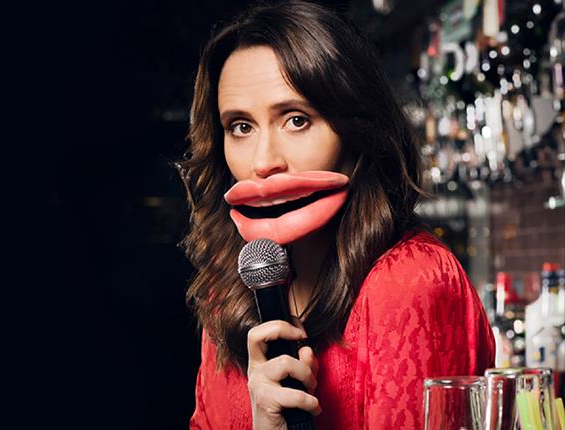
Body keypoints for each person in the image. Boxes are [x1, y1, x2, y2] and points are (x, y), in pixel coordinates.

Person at [176, 1, 495, 428]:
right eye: (240, 127)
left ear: (355, 131)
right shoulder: (227, 298)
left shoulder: (410, 281)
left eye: (295, 120)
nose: (263, 161)